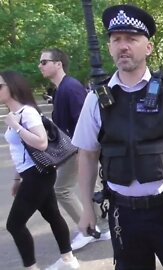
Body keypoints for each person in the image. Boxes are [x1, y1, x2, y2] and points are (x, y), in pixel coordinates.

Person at [73, 4, 163, 269]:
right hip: (123, 215)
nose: (123, 46)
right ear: (110, 47)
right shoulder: (96, 99)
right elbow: (87, 154)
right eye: (116, 39)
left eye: (131, 39)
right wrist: (87, 208)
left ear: (147, 47)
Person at [1, 71, 79, 270]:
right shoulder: (16, 115)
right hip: (30, 173)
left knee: (14, 224)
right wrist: (17, 179)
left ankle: (32, 267)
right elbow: (21, 151)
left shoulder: (27, 113)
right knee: (52, 214)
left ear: (13, 87)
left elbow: (41, 143)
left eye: (0, 86)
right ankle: (68, 260)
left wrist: (16, 127)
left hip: (38, 175)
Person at [38, 48, 111, 250]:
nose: (40, 66)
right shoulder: (62, 88)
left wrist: (83, 152)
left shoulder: (70, 87)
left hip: (77, 148)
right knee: (89, 186)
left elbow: (84, 122)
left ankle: (90, 229)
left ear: (58, 64)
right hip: (73, 148)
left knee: (64, 188)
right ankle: (98, 227)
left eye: (44, 62)